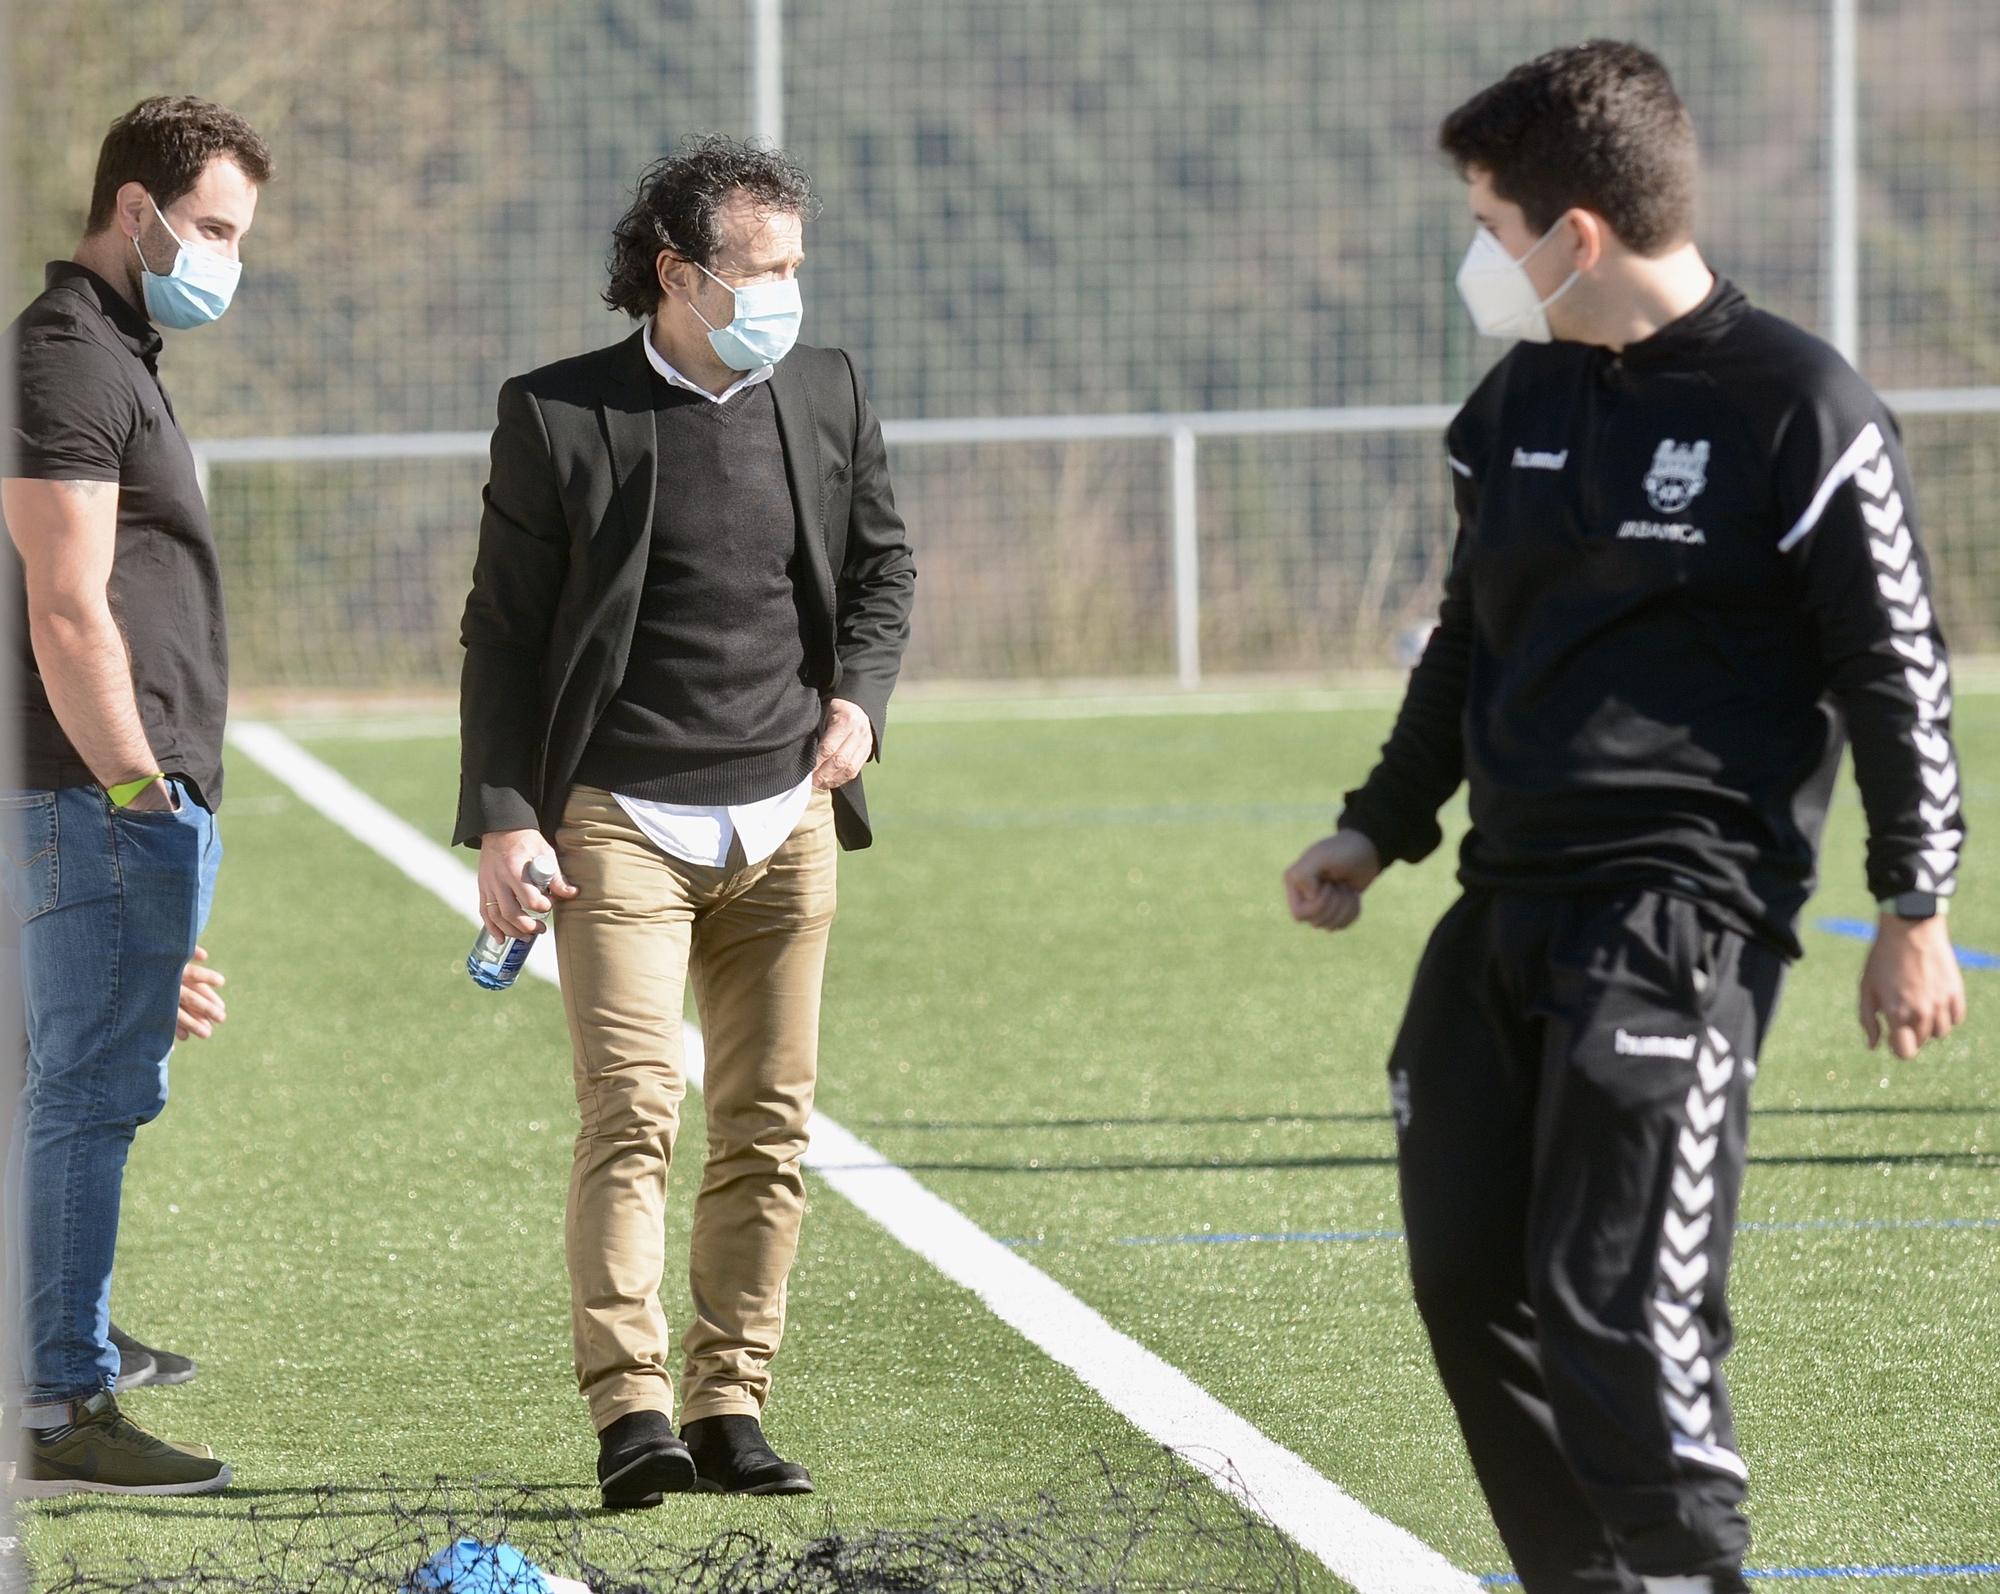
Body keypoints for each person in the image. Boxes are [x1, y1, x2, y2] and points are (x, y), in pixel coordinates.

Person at [1283, 41, 1965, 1593]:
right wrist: (1380, 826)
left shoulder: (1800, 408)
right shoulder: (1513, 403)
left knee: (1617, 1301)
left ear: (1571, 233)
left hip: (1677, 922)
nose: (1477, 257)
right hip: (1502, 908)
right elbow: (1473, 637)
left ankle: (1690, 1572)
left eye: (1485, 220)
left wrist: (1914, 907)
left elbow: (1897, 670)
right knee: (1470, 1276)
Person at [455, 136, 915, 1508]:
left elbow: (884, 566)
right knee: (634, 1110)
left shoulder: (823, 390)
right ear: (679, 275)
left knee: (769, 1122)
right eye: (762, 269)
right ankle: (632, 1410)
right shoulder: (556, 415)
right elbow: (504, 631)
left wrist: (862, 702)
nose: (787, 294)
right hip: (619, 825)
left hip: (788, 816)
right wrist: (502, 817)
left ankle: (730, 1400)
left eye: (795, 267)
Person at [2, 95, 272, 1495]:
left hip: (117, 792)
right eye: (213, 227)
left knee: (79, 1075)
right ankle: (57, 1400)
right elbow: (65, 607)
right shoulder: (62, 358)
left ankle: (59, 1335)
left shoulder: (113, 348)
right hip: (95, 790)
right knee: (87, 1090)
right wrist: (137, 796)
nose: (225, 255)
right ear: (135, 211)